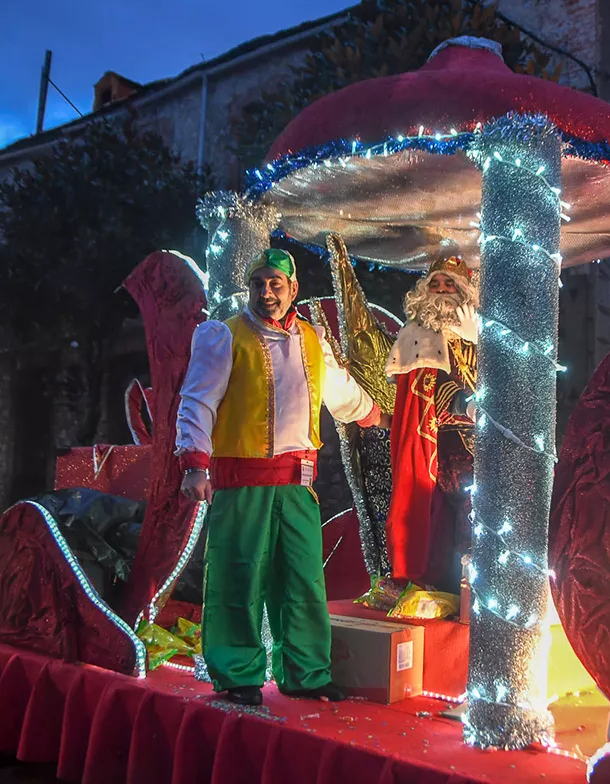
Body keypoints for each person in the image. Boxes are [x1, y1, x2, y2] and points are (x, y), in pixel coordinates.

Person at [176, 247, 384, 706]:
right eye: (259, 284)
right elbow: (197, 402)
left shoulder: (311, 339)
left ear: (292, 289)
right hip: (242, 483)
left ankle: (307, 674)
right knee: (238, 577)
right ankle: (236, 674)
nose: (266, 292)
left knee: (302, 581)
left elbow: (340, 391)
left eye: (276, 284)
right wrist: (194, 463)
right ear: (250, 288)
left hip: (296, 485)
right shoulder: (223, 336)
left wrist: (375, 416)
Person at [385, 254, 479, 592]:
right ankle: (445, 586)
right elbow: (426, 391)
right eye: (435, 284)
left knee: (474, 516)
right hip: (438, 442)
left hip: (480, 443)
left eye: (449, 283)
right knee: (440, 516)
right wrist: (462, 403)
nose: (441, 290)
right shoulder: (416, 334)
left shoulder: (479, 331)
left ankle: (468, 590)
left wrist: (476, 340)